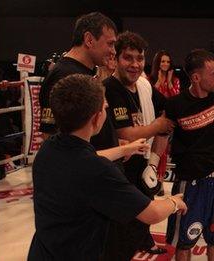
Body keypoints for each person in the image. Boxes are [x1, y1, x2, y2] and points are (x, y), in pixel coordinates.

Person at [27, 74, 187, 261]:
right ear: (96, 119)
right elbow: (152, 213)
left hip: (43, 252)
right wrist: (174, 202)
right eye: (104, 109)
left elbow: (86, 158)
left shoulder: (49, 148)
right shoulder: (97, 170)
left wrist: (123, 149)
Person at [101, 31, 174, 260]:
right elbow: (125, 133)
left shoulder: (143, 86)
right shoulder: (110, 88)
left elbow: (168, 107)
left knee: (138, 226)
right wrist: (159, 125)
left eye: (139, 58)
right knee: (119, 234)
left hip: (141, 164)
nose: (135, 64)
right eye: (128, 58)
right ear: (116, 59)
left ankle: (143, 242)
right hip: (117, 170)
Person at [164, 46, 214, 261]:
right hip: (191, 183)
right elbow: (162, 134)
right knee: (184, 241)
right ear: (196, 77)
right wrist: (153, 163)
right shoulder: (176, 105)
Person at [38, 12, 135, 163]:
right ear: (89, 39)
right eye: (110, 44)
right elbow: (58, 144)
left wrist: (114, 144)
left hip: (96, 171)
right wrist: (116, 150)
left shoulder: (83, 72)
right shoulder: (65, 76)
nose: (113, 51)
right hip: (88, 178)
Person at [148, 50, 181, 193]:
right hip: (153, 119)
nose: (165, 64)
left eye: (168, 61)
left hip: (168, 120)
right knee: (152, 150)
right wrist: (159, 83)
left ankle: (159, 182)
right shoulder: (150, 78)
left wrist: (168, 83)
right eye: (163, 61)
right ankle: (151, 179)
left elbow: (176, 99)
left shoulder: (175, 80)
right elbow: (150, 97)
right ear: (158, 63)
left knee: (163, 152)